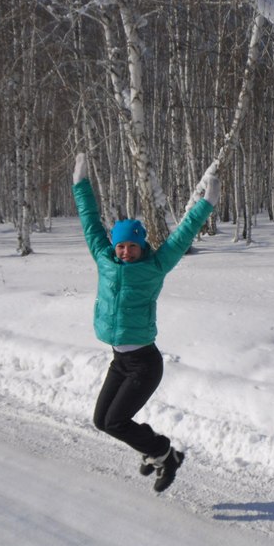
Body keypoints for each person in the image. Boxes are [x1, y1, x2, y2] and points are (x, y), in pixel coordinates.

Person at [71, 153, 220, 492]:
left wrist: (207, 203)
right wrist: (80, 184)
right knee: (102, 421)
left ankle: (166, 455)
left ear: (142, 246)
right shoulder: (104, 258)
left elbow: (182, 235)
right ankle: (150, 446)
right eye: (121, 246)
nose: (125, 252)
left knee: (115, 421)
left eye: (132, 247)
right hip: (119, 360)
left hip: (144, 363)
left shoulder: (155, 266)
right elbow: (90, 221)